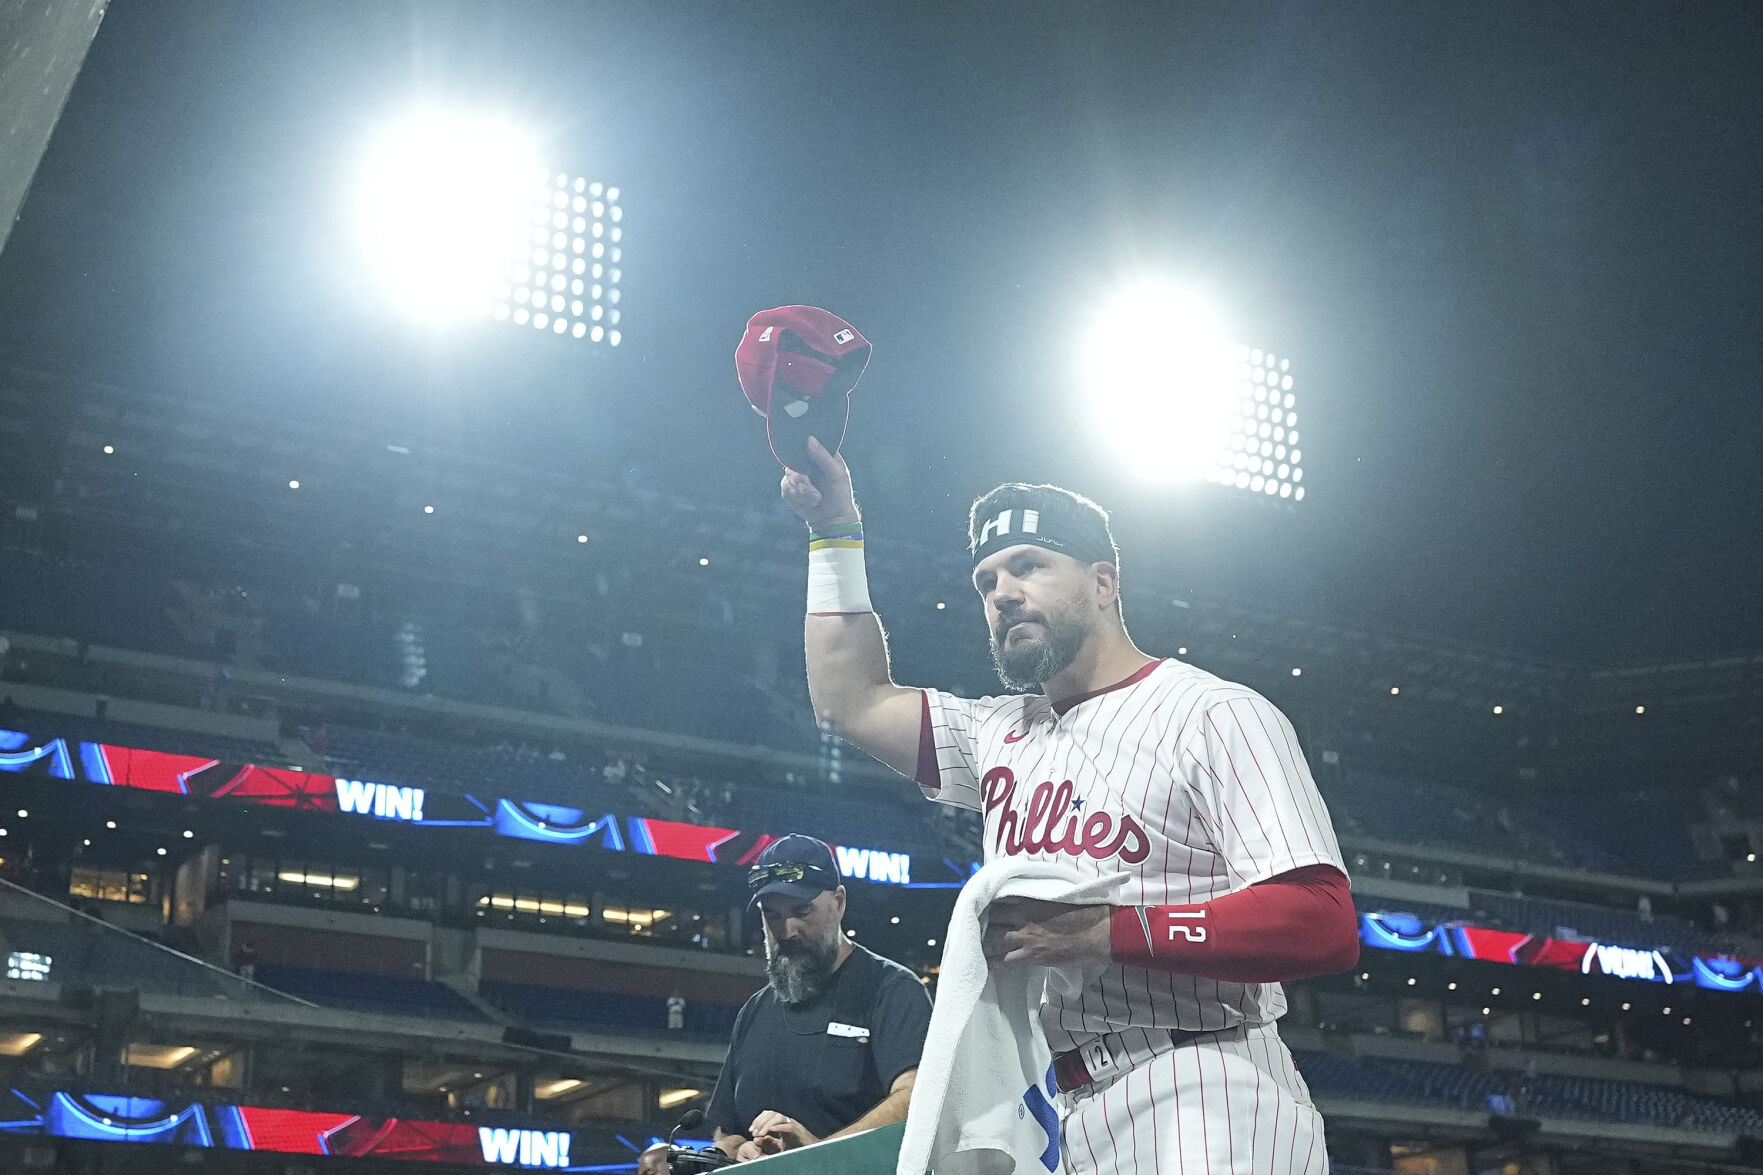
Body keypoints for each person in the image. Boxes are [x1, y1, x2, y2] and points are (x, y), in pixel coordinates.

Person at [782, 440, 1360, 1174]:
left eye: (1030, 565)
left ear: (1103, 581)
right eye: (986, 579)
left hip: (1205, 1083)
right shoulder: (999, 731)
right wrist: (833, 526)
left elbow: (1321, 919)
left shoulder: (1213, 713)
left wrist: (1109, 931)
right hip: (1068, 1109)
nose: (1002, 591)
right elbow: (850, 698)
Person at [707, 835, 931, 1162]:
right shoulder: (754, 1010)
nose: (787, 930)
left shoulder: (891, 990)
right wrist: (738, 1151)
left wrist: (814, 1157)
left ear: (839, 902)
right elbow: (727, 1130)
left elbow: (915, 1100)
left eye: (802, 910)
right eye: (772, 915)